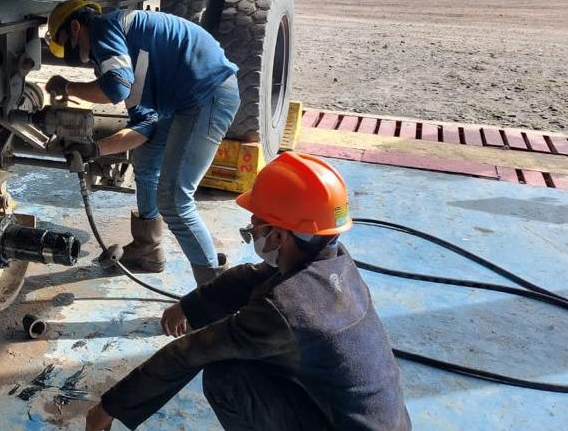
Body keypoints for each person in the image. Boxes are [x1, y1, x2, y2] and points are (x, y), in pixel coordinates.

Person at [86, 152, 411, 431]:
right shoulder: (333, 262)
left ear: (281, 235)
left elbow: (190, 353)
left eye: (256, 226)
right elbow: (250, 278)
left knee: (226, 377)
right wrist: (189, 307)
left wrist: (109, 407)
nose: (252, 233)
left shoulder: (286, 310)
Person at [44, 0, 240, 284]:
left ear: (75, 27)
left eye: (64, 42)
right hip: (187, 101)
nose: (74, 56)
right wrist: (96, 150)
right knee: (147, 159)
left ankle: (213, 288)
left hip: (208, 95)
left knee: (174, 199)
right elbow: (145, 127)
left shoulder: (103, 27)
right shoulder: (128, 48)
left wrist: (67, 86)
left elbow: (116, 88)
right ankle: (148, 248)